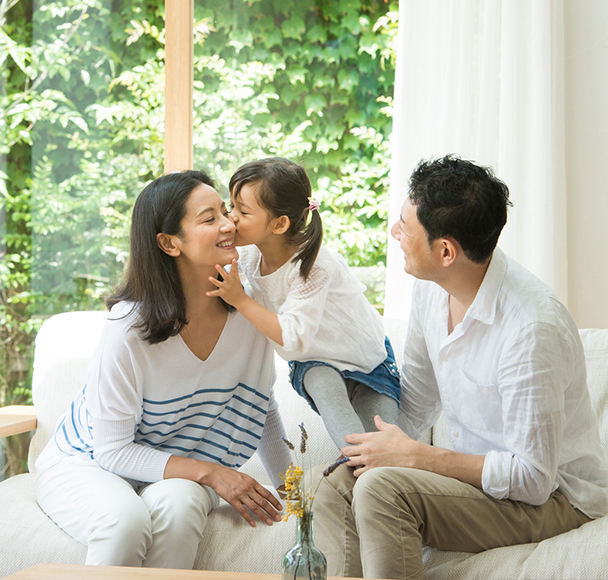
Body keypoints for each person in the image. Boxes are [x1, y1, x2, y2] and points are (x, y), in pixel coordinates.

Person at [312, 154, 608, 579]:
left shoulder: (531, 327)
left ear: (446, 250)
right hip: (484, 485)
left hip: (557, 499)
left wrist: (416, 457)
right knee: (342, 483)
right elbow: (414, 405)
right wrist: (373, 450)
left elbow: (532, 478)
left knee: (382, 489)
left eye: (405, 226)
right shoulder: (432, 292)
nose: (395, 232)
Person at [34, 170, 291, 569]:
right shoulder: (129, 327)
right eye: (209, 219)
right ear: (169, 243)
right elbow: (113, 450)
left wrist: (293, 492)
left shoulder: (250, 309)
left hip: (178, 468)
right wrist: (212, 472)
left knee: (182, 502)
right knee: (124, 522)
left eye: (226, 211)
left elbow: (260, 404)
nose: (230, 224)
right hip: (86, 462)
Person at [207, 157, 401, 453]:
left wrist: (240, 299)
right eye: (230, 207)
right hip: (316, 362)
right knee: (326, 388)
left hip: (369, 364)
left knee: (384, 449)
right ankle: (355, 461)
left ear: (279, 223)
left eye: (242, 211)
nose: (230, 218)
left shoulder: (315, 266)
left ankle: (368, 469)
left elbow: (293, 336)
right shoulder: (248, 257)